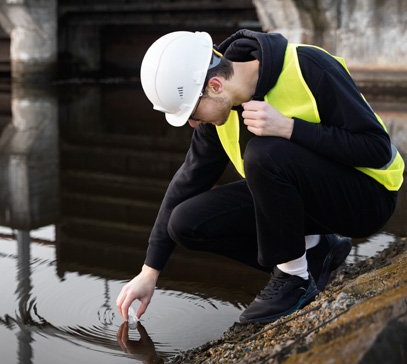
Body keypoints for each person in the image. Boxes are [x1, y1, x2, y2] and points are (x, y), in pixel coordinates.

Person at [117, 29, 404, 324]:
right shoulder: (221, 111)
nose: (192, 123)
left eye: (192, 112)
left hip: (368, 198)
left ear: (215, 85)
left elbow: (376, 149)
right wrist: (149, 271)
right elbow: (188, 180)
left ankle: (294, 280)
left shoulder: (308, 65)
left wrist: (290, 128)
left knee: (263, 153)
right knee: (186, 222)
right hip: (313, 205)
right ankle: (316, 252)